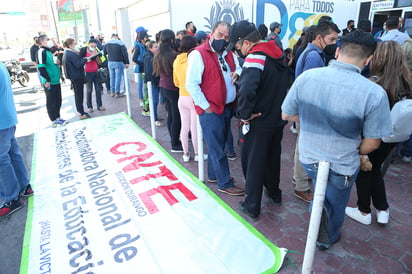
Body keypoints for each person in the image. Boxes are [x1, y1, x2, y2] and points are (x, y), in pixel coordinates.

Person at [282, 30, 392, 250]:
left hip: (310, 157)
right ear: (368, 59)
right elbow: (373, 142)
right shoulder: (374, 93)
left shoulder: (307, 78)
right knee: (335, 201)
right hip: (343, 163)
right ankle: (327, 237)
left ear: (339, 51)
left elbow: (287, 114)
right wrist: (352, 148)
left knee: (320, 195)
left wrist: (313, 120)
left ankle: (316, 223)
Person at [227, 20, 289, 219]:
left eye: (237, 47)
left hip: (258, 121)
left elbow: (247, 91)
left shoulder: (255, 57)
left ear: (246, 43)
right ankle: (274, 193)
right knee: (272, 159)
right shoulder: (277, 52)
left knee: (253, 163)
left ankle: (252, 205)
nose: (238, 52)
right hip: (276, 118)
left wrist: (244, 115)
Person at [345, 41, 412, 225]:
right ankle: (383, 209)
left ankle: (364, 211)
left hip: (371, 137)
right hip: (393, 137)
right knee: (375, 170)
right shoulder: (407, 81)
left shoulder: (374, 84)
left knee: (365, 170)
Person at [186, 21, 244, 196]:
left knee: (216, 144)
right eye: (220, 35)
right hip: (211, 109)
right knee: (218, 147)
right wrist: (206, 107)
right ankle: (224, 182)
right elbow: (192, 85)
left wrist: (237, 73)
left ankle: (213, 175)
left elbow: (240, 67)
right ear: (211, 33)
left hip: (226, 107)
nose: (223, 40)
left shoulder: (229, 54)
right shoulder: (198, 54)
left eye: (227, 37)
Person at [291, 21, 340, 203]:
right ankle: (301, 186)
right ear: (319, 37)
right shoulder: (314, 57)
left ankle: (300, 181)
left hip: (306, 109)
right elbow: (311, 88)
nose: (335, 43)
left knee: (302, 147)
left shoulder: (313, 54)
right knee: (305, 149)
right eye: (331, 39)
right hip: (309, 110)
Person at [0, 62, 33, 218]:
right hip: (7, 118)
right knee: (13, 153)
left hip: (2, 122)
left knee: (2, 159)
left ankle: (12, 198)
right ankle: (24, 186)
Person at [153, 29, 182, 152]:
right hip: (173, 87)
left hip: (163, 86)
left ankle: (173, 140)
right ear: (171, 39)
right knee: (176, 116)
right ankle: (175, 143)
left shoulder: (158, 53)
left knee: (171, 114)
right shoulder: (173, 55)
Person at [174, 35, 201, 162]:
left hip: (181, 96)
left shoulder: (176, 60)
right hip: (193, 96)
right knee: (194, 127)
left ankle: (185, 154)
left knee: (184, 126)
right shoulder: (194, 59)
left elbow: (176, 82)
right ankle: (197, 154)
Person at [36, 34, 66, 127]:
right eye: (47, 39)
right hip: (49, 81)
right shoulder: (41, 51)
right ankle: (53, 119)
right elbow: (41, 67)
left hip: (55, 80)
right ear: (42, 41)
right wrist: (47, 80)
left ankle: (57, 117)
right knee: (51, 100)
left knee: (58, 100)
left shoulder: (48, 51)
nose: (49, 40)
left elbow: (51, 63)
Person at [62, 38, 89, 120]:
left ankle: (80, 111)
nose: (75, 45)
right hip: (77, 76)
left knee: (78, 95)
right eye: (74, 43)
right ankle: (81, 112)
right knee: (79, 95)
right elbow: (78, 64)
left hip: (73, 76)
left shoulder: (66, 53)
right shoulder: (71, 54)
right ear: (70, 45)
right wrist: (84, 60)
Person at [79, 39, 105, 113]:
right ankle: (89, 106)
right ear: (88, 44)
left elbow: (101, 61)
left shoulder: (96, 50)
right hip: (87, 72)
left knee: (98, 89)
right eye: (92, 46)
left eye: (95, 46)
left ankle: (99, 105)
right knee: (89, 90)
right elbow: (80, 61)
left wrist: (98, 57)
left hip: (96, 71)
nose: (93, 47)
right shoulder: (83, 50)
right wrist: (88, 58)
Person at [143, 40, 163, 126]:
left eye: (157, 46)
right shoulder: (149, 58)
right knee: (154, 101)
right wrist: (153, 82)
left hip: (156, 81)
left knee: (155, 100)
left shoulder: (153, 56)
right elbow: (149, 72)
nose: (157, 48)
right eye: (155, 47)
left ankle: (155, 116)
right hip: (153, 83)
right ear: (150, 48)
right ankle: (154, 118)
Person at [103, 33, 129, 98]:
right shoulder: (120, 43)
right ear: (117, 37)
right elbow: (125, 54)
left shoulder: (107, 43)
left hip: (110, 62)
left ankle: (112, 92)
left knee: (112, 77)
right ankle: (117, 92)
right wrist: (127, 62)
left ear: (111, 37)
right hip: (118, 61)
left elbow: (104, 52)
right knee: (118, 77)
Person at [133, 27, 150, 109]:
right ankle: (141, 100)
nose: (148, 39)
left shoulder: (143, 45)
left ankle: (145, 99)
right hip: (140, 68)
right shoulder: (138, 46)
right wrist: (142, 64)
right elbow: (134, 58)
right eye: (146, 37)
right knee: (141, 84)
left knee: (145, 84)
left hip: (144, 67)